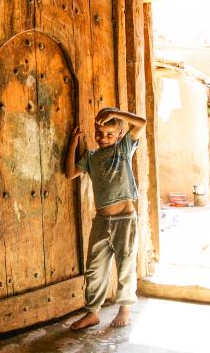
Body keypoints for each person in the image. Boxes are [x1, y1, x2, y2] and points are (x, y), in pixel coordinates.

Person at [65, 107, 146, 330]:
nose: (103, 138)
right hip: (101, 222)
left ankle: (125, 308)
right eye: (99, 134)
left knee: (125, 263)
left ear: (120, 135)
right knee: (94, 267)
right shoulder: (91, 157)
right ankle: (92, 312)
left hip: (124, 220)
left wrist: (116, 113)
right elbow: (70, 173)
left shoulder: (123, 150)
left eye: (110, 134)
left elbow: (141, 123)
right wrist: (73, 144)